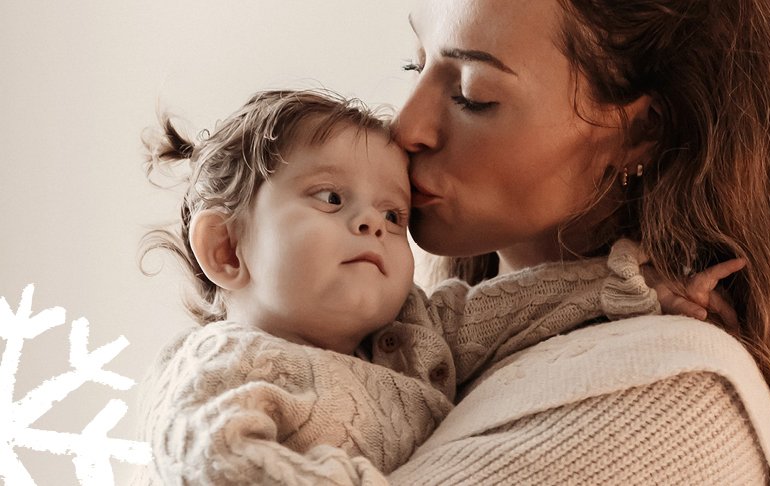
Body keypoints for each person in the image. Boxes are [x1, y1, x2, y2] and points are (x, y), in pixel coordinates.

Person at [375, 0, 770, 484]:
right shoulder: (432, 339)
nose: (403, 127)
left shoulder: (669, 406)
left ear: (643, 130)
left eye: (472, 95)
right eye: (413, 66)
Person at [135, 89, 730, 485]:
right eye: (331, 198)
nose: (371, 222)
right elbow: (212, 461)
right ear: (227, 249)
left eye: (394, 215)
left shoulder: (416, 332)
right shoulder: (223, 364)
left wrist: (633, 285)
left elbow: (516, 307)